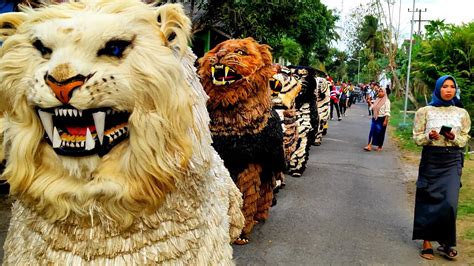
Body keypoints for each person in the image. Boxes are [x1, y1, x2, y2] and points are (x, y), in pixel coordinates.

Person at [412, 75, 471, 260]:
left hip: (452, 160)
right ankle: (427, 242)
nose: (448, 90)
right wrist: (430, 136)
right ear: (438, 89)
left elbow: (465, 139)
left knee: (450, 203)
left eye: (452, 86)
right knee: (428, 199)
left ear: (455, 90)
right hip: (431, 159)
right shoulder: (425, 111)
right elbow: (416, 137)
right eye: (444, 86)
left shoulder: (462, 113)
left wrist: (453, 138)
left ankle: (446, 242)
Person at [363, 84, 390, 151]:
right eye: (379, 91)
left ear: (384, 93)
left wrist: (385, 120)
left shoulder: (387, 101)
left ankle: (380, 146)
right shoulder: (377, 99)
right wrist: (369, 102)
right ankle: (369, 145)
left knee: (380, 132)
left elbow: (387, 112)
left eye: (381, 91)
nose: (379, 93)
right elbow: (372, 107)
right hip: (375, 118)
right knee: (372, 131)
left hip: (382, 119)